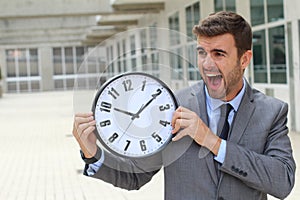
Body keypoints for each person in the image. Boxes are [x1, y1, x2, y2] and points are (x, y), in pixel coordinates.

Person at [73, 11, 295, 200]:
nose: (207, 64)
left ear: (244, 59)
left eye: (218, 54)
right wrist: (93, 153)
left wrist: (213, 142)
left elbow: (282, 181)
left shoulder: (272, 112)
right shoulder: (171, 106)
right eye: (201, 53)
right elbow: (134, 175)